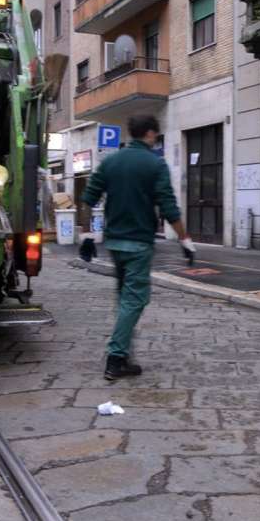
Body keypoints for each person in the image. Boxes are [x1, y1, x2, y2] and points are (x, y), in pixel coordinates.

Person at [81, 115, 195, 380]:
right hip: (139, 244)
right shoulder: (155, 164)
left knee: (124, 300)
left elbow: (87, 200)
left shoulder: (110, 162)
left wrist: (87, 235)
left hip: (114, 243)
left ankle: (125, 355)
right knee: (135, 300)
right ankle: (116, 357)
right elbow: (168, 207)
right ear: (151, 134)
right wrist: (185, 241)